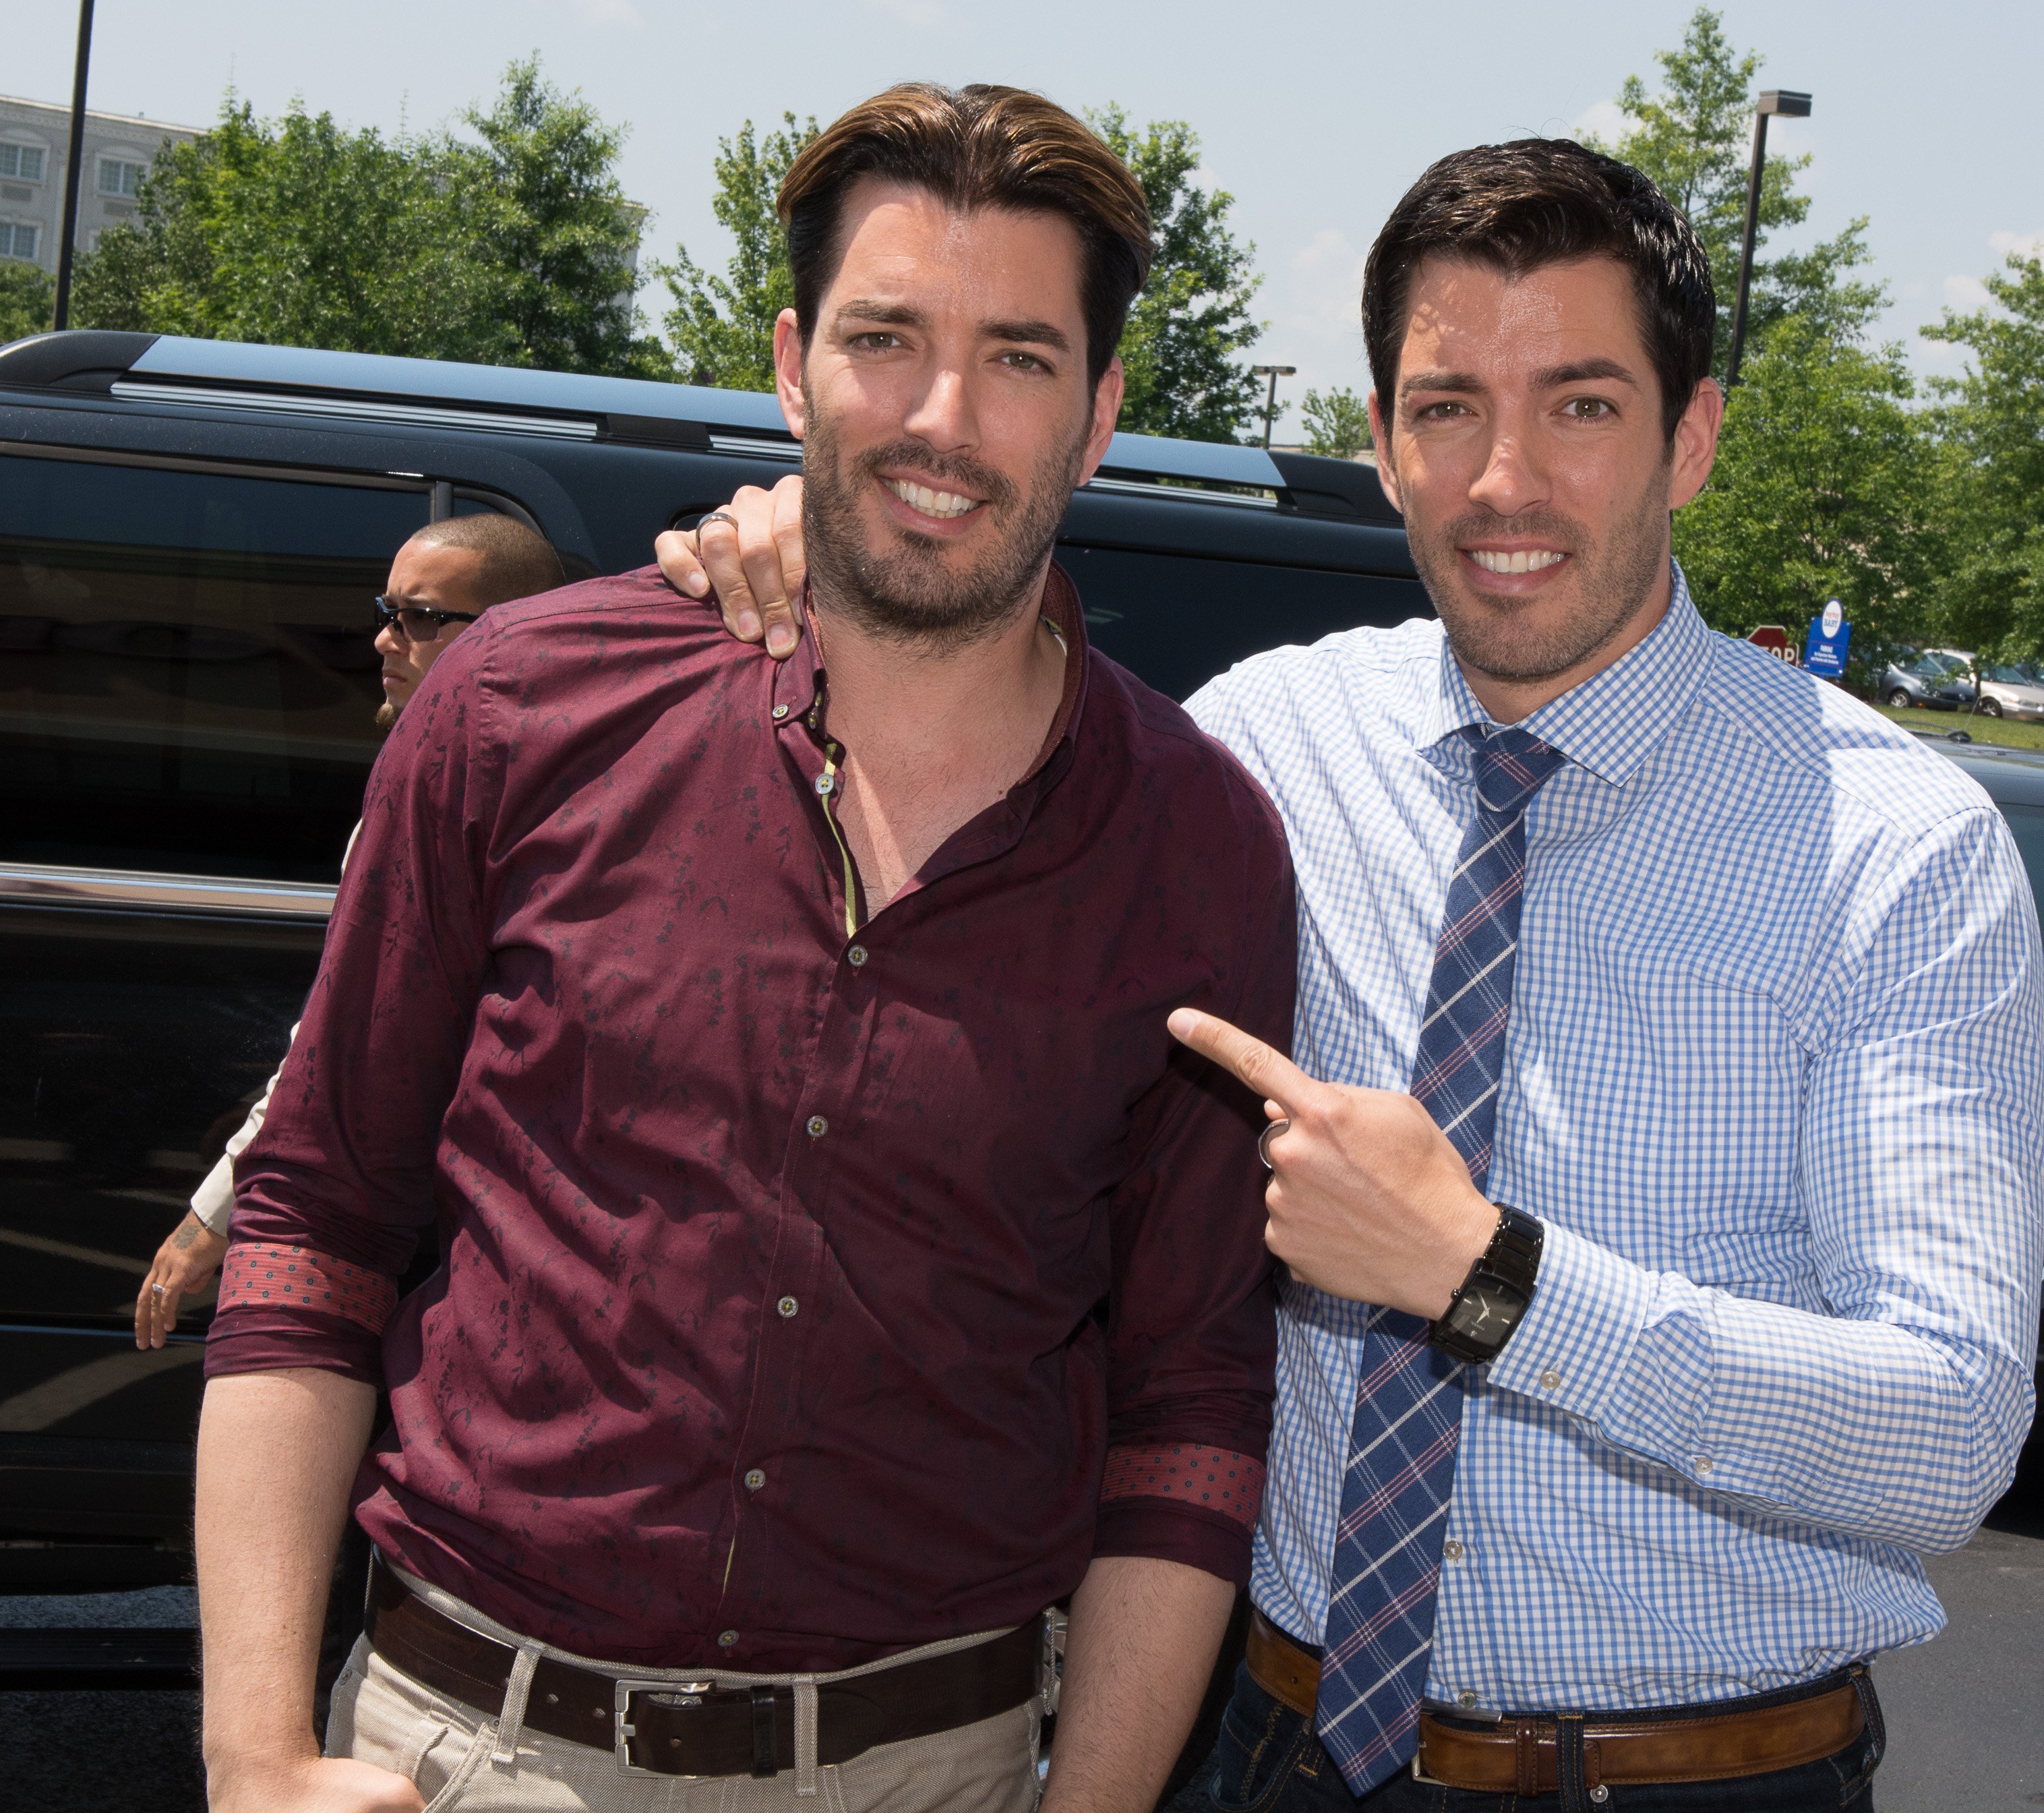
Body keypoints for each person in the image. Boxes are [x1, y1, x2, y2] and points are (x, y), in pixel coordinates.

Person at [664, 136, 2044, 1813]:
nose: (1504, 480)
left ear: (1693, 440)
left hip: (1691, 1776)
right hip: (1263, 1745)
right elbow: (981, 680)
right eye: (1446, 406)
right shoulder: (1269, 746)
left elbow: (1950, 1428)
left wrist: (1490, 1279)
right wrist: (816, 534)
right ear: (1384, 442)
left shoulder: (1899, 849)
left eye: (1583, 406)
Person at [196, 83, 1293, 1813]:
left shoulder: (1199, 841)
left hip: (932, 1771)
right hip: (464, 1753)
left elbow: (1193, 1405)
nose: (942, 418)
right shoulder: (516, 707)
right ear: (791, 364)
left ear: (1100, 416)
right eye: (886, 339)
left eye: (1017, 356)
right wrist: (255, 1751)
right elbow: (319, 1218)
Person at [134, 514, 566, 1351]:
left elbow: (341, 1042)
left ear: (511, 632)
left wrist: (212, 1216)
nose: (383, 638)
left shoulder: (463, 798)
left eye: (419, 617)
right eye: (387, 608)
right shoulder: (488, 775)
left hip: (436, 1252)